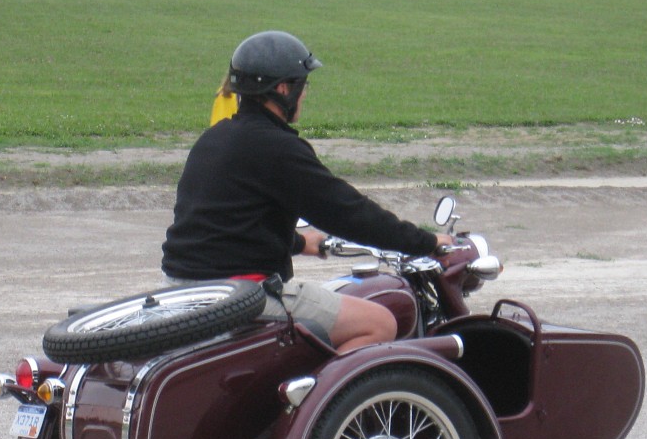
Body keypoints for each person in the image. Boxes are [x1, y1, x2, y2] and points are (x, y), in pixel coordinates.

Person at [162, 30, 453, 353]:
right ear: (283, 89)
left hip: (183, 290)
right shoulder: (277, 147)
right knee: (380, 322)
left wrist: (299, 243)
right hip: (240, 296)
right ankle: (311, 402)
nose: (305, 95)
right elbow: (348, 213)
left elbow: (226, 225)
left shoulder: (215, 138)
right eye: (303, 85)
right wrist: (426, 241)